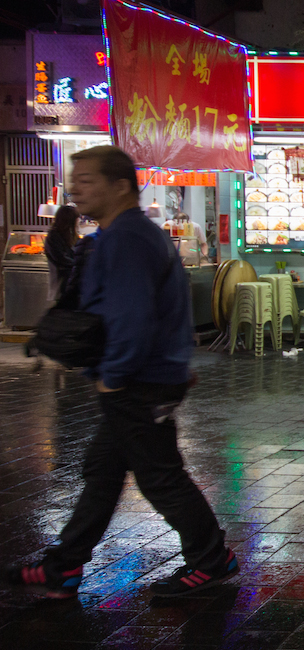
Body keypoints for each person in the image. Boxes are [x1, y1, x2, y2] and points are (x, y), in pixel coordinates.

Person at [5, 146, 237, 599]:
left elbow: (133, 316)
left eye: (87, 180)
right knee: (103, 471)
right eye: (75, 180)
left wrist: (114, 375)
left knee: (159, 476)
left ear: (121, 186)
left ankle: (212, 559)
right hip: (144, 375)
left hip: (137, 381)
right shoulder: (125, 234)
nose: (76, 189)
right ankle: (63, 567)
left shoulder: (128, 238)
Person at [43, 205, 79, 303]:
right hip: (61, 285)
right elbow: (62, 259)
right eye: (76, 219)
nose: (77, 222)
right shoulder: (54, 237)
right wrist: (78, 264)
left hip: (70, 285)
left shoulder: (70, 235)